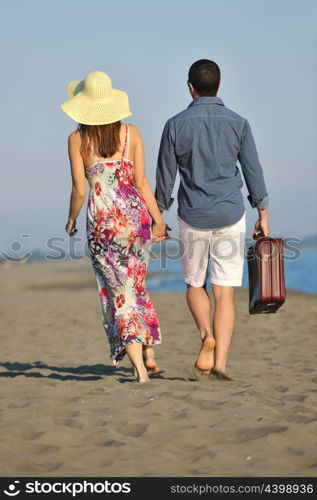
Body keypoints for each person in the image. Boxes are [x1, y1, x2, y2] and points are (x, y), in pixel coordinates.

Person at [155, 59, 269, 381]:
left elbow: (165, 177)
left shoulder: (175, 124)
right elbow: (252, 171)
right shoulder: (238, 123)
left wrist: (158, 216)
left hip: (192, 215)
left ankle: (206, 334)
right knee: (224, 293)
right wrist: (262, 213)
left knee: (194, 284)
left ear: (190, 87)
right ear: (218, 86)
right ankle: (220, 365)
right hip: (231, 214)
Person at [61, 70, 169, 383]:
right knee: (134, 287)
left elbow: (80, 190)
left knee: (119, 293)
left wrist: (70, 220)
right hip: (136, 221)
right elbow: (142, 183)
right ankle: (148, 353)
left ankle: (139, 370)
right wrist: (158, 219)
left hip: (103, 226)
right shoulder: (131, 133)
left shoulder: (77, 139)